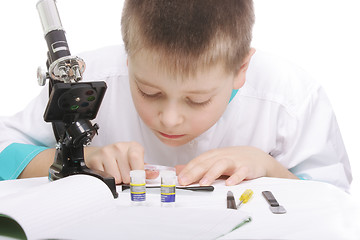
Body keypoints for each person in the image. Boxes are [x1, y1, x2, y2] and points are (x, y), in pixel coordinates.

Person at [0, 0, 352, 191]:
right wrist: (76, 161)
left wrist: (270, 168)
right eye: (148, 91)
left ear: (241, 69)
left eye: (197, 100)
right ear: (128, 57)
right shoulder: (91, 77)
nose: (169, 118)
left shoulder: (289, 98)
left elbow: (335, 201)